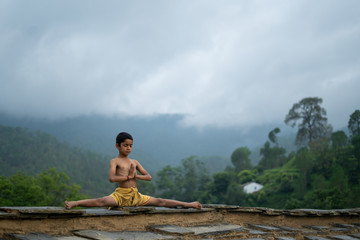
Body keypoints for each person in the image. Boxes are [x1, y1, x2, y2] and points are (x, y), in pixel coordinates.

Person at [65, 132, 202, 210]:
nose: (128, 148)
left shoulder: (134, 162)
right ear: (117, 146)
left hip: (136, 195)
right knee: (101, 201)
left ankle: (188, 204)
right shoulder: (115, 161)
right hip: (121, 195)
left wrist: (135, 176)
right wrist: (127, 178)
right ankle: (75, 203)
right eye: (125, 145)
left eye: (131, 145)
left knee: (160, 201)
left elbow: (148, 177)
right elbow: (111, 178)